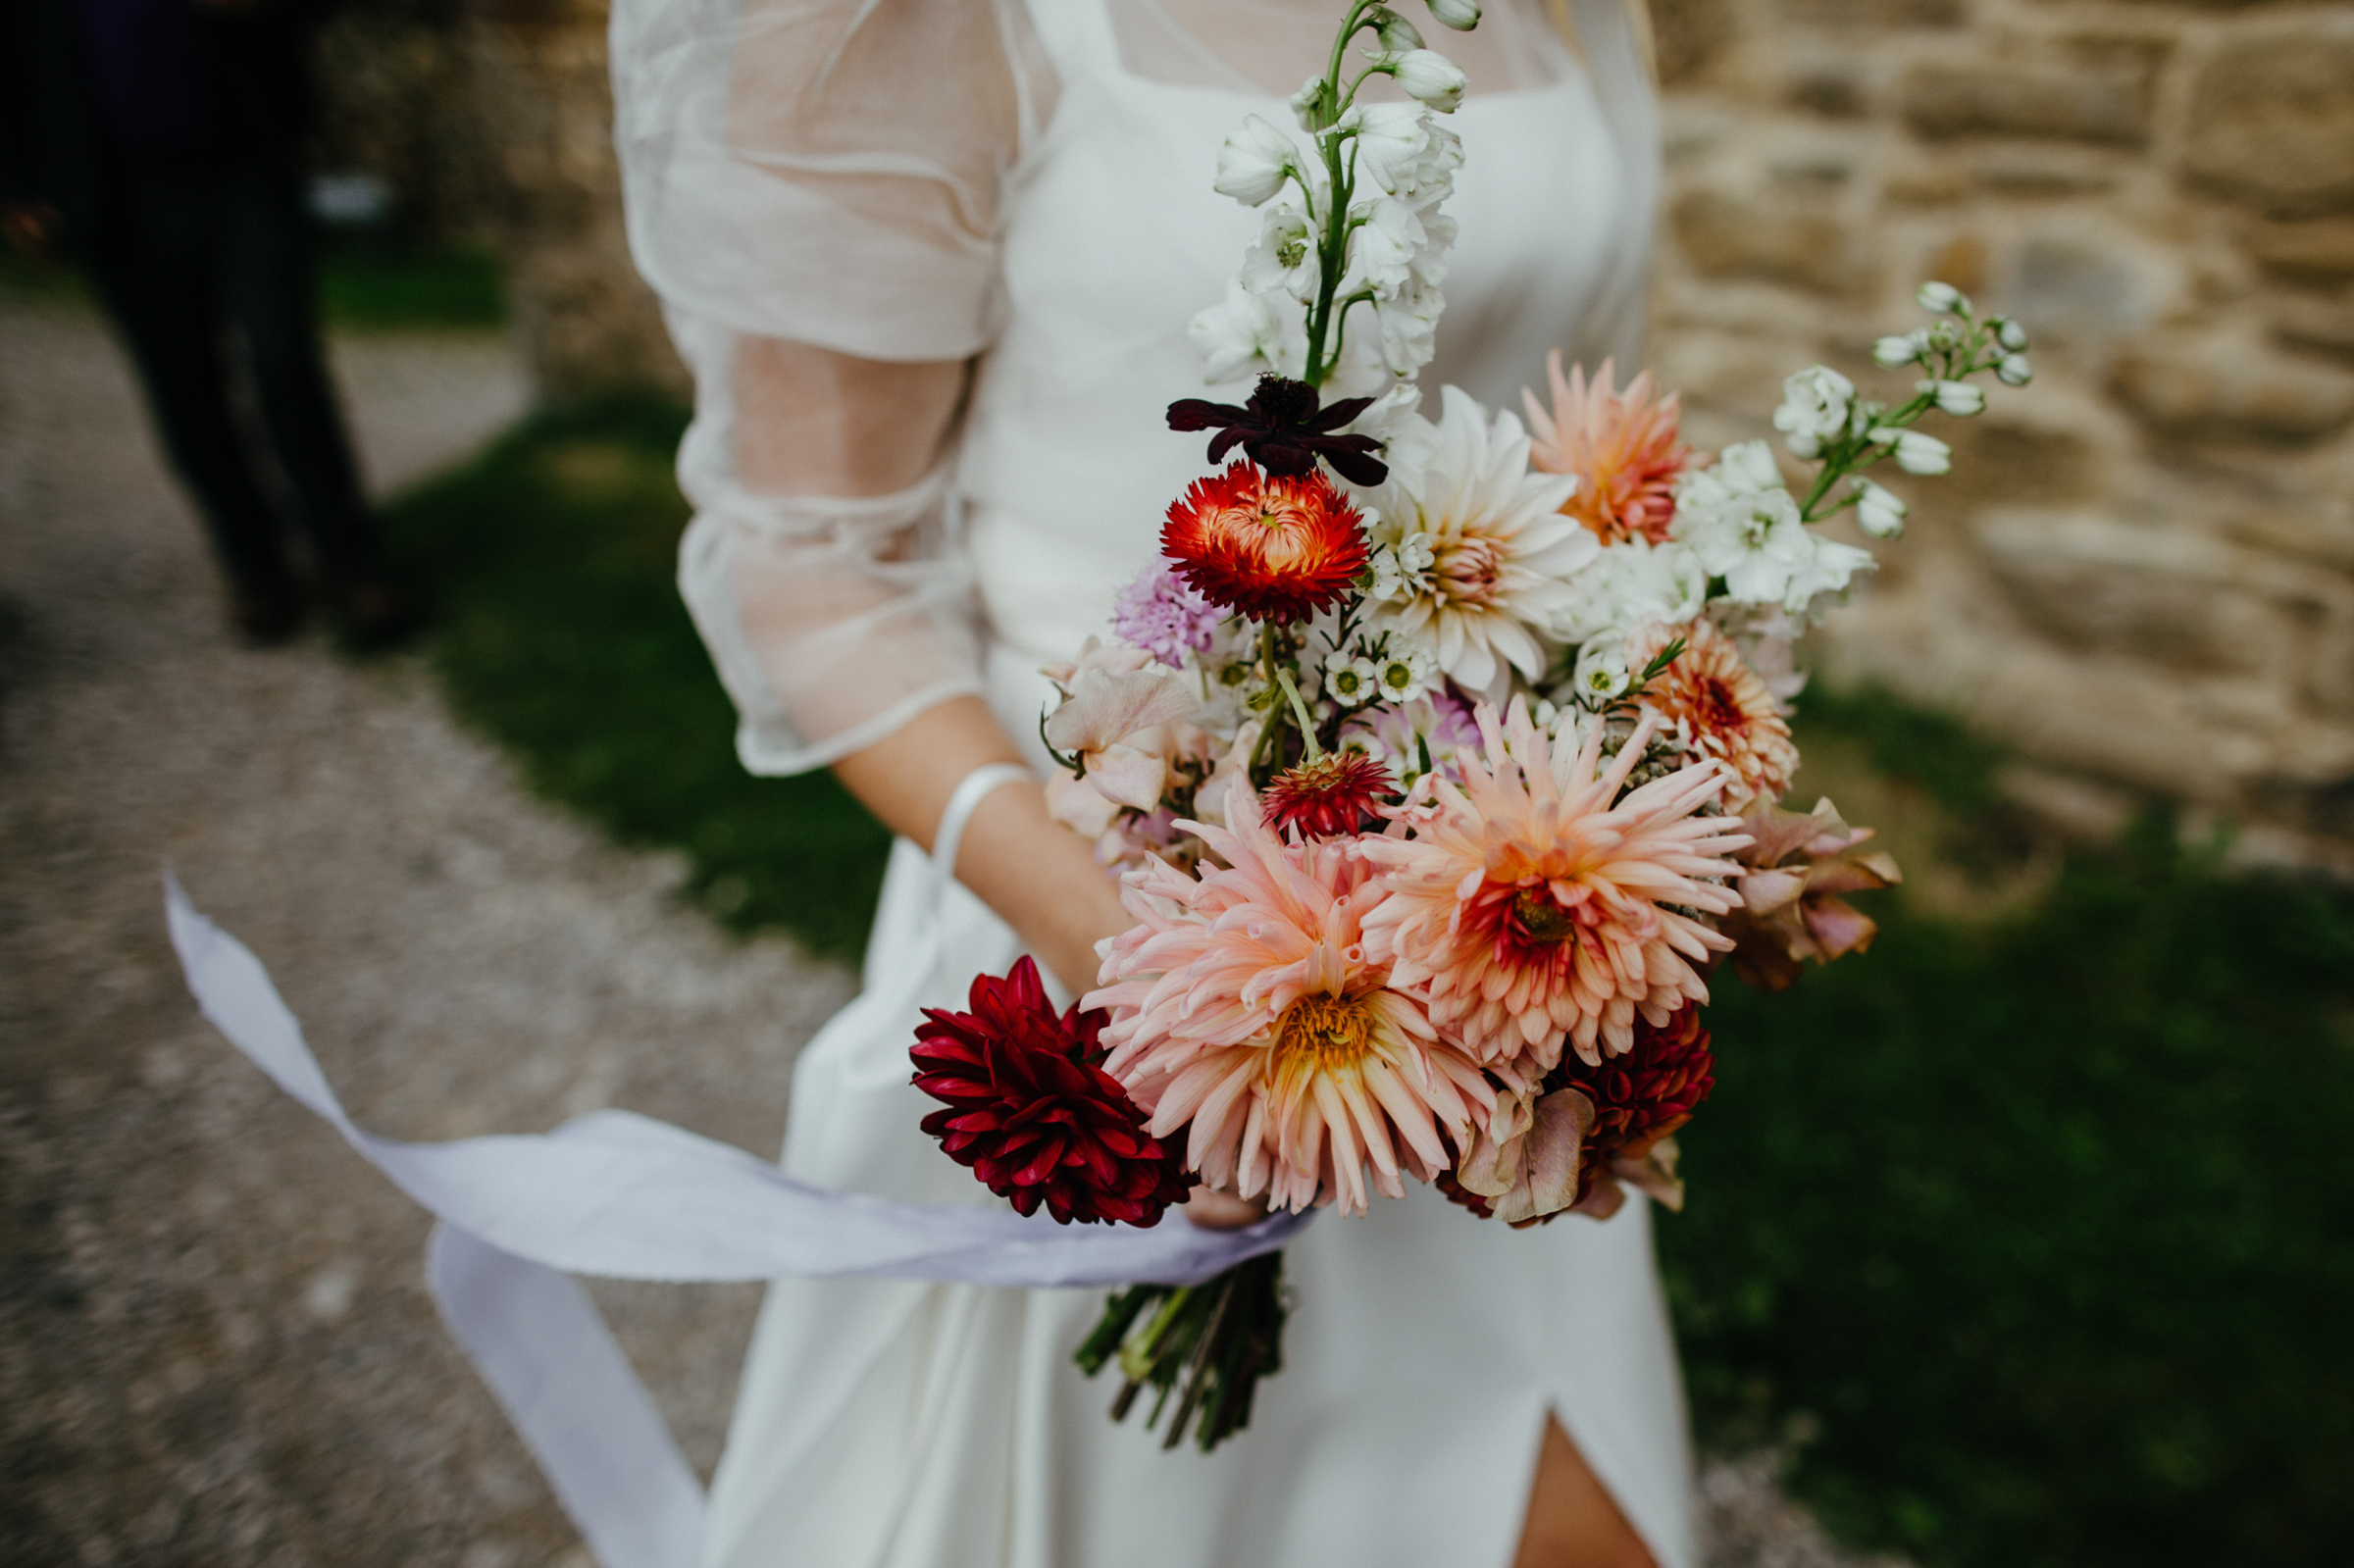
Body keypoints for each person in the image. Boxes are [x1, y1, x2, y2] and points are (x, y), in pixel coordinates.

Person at [613, 1, 1679, 1562]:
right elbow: (813, 564)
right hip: (1112, 955)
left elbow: (1572, 444)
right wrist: (1141, 968)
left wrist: (1637, 778)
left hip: (1503, 948)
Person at [0, 0, 414, 646]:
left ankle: (347, 558)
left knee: (284, 359)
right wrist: (20, 186)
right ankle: (255, 568)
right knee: (184, 386)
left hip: (243, 159)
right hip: (116, 188)